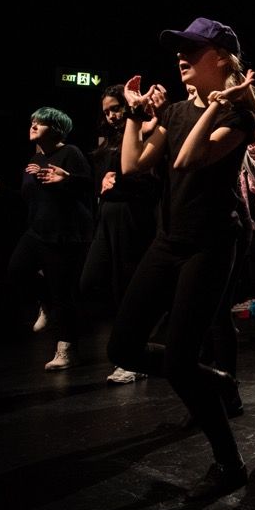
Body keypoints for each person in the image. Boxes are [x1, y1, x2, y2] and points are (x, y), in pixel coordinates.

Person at [106, 17, 255, 502]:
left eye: (192, 50)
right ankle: (216, 378)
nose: (181, 58)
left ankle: (230, 464)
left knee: (177, 361)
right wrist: (134, 116)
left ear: (221, 59)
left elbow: (187, 160)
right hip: (168, 240)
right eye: (180, 51)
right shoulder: (174, 111)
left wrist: (214, 106)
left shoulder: (239, 116)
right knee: (123, 348)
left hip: (210, 245)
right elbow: (132, 165)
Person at [0, 107, 94, 371]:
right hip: (37, 230)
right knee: (16, 270)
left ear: (56, 129)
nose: (34, 125)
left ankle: (67, 350)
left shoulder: (70, 153)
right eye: (33, 121)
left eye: (41, 122)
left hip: (63, 234)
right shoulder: (35, 158)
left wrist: (67, 179)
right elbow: (28, 197)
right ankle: (46, 304)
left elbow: (88, 186)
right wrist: (0, 191)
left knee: (63, 292)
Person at [80, 84, 161, 384]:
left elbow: (147, 177)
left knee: (126, 286)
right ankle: (132, 349)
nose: (112, 116)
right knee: (90, 281)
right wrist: (101, 183)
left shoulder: (144, 129)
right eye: (107, 112)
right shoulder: (109, 140)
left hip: (132, 215)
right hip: (107, 216)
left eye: (116, 108)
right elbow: (101, 177)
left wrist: (118, 182)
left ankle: (134, 357)